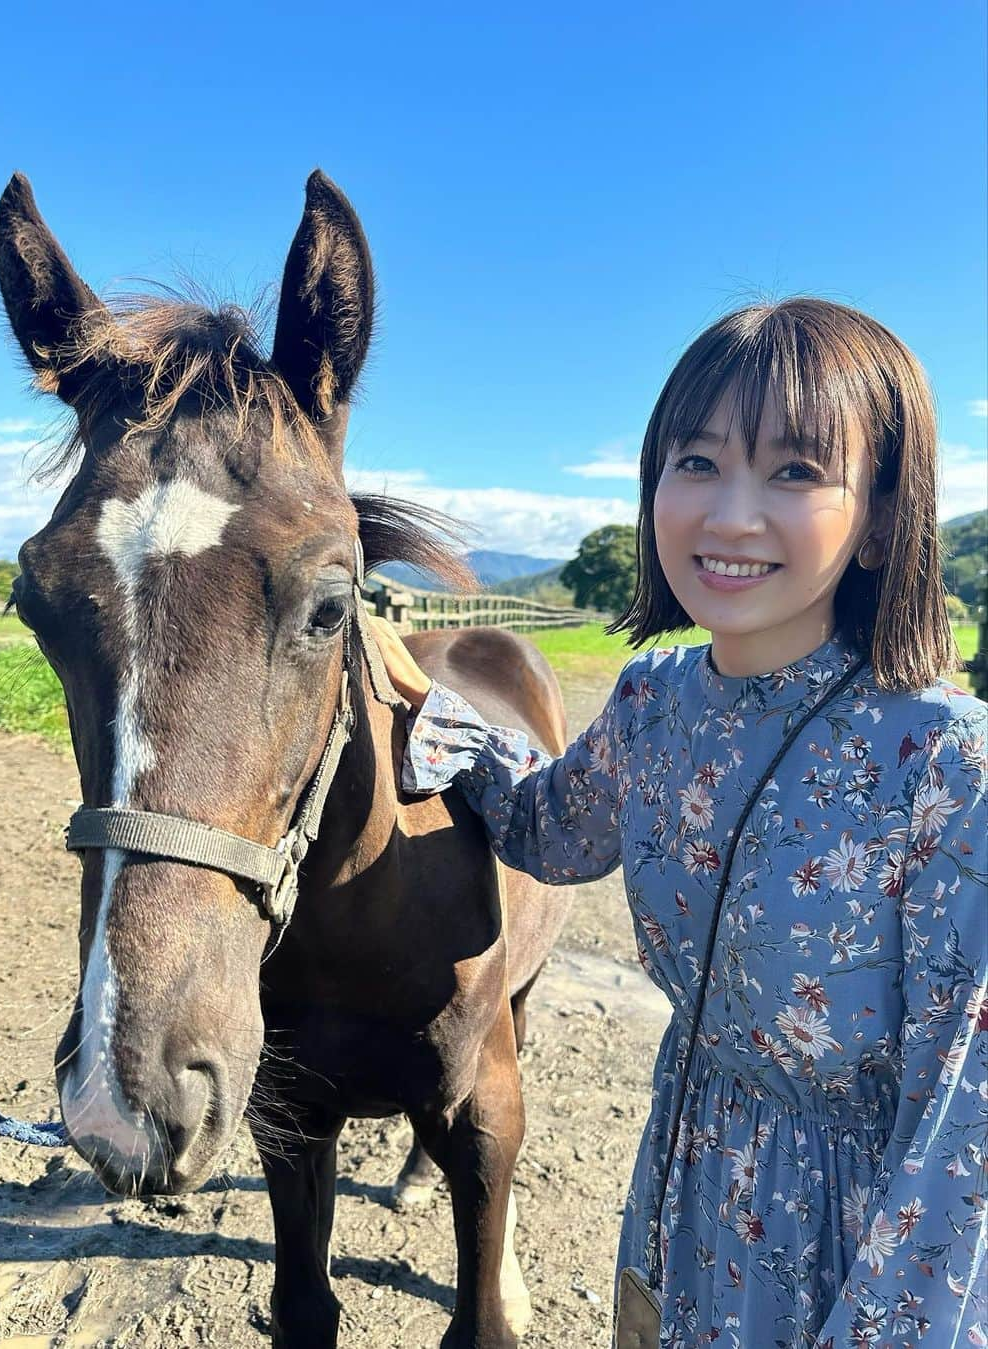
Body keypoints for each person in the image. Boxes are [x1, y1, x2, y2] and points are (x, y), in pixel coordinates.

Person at [371, 298, 988, 1348]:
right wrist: (440, 717)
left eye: (794, 471)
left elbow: (964, 1125)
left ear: (883, 515)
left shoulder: (946, 761)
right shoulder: (656, 702)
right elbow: (547, 830)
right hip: (689, 1174)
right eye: (695, 462)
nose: (729, 513)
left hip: (860, 1240)